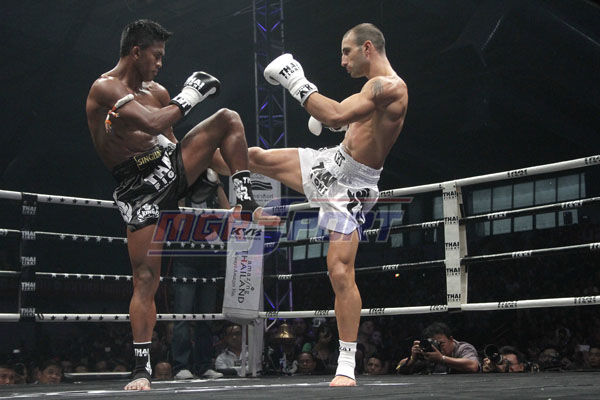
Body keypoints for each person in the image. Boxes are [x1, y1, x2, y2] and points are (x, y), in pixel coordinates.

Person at [211, 22, 408, 387]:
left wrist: (295, 80)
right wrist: (335, 127)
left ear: (367, 48)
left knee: (339, 270)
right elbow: (347, 123)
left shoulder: (391, 87)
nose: (342, 61)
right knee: (254, 157)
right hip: (330, 163)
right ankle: (192, 161)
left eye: (347, 52)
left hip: (352, 186)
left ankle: (346, 363)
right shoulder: (371, 89)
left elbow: (335, 114)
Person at [85, 19, 278, 391]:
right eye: (156, 56)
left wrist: (205, 170)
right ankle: (141, 369)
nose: (160, 64)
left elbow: (170, 139)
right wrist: (190, 95)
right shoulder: (104, 88)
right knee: (146, 279)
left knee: (228, 119)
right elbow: (152, 122)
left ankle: (245, 200)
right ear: (136, 52)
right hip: (137, 186)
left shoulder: (158, 91)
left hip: (168, 168)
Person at [171, 186, 228, 380]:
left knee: (206, 317)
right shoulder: (184, 191)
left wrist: (217, 184)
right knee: (183, 315)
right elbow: (177, 221)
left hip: (209, 261)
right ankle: (180, 366)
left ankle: (204, 365)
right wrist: (184, 183)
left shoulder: (212, 193)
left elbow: (228, 212)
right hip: (186, 259)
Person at [396, 322, 480, 374]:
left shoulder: (463, 348)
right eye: (435, 344)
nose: (438, 347)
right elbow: (399, 368)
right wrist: (412, 359)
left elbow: (473, 366)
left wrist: (441, 358)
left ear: (451, 339)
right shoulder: (429, 352)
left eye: (441, 343)